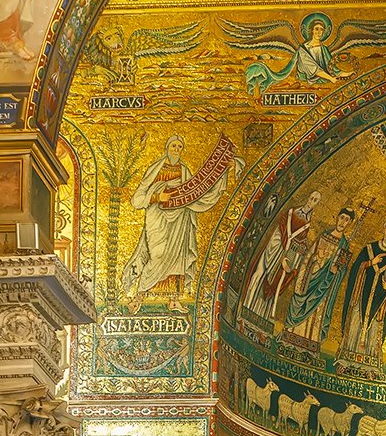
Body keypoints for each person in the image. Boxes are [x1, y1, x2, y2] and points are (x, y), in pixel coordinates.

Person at [119, 136, 242, 310]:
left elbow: (199, 193)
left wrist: (223, 170)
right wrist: (156, 196)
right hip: (158, 219)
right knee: (158, 255)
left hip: (180, 221)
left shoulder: (185, 171)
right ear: (167, 148)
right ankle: (140, 295)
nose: (176, 149)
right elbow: (136, 200)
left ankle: (174, 299)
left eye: (179, 146)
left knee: (178, 257)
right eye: (173, 146)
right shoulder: (155, 169)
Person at [243, 190, 322, 320]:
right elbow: (279, 230)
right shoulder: (291, 213)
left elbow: (300, 246)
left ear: (317, 204)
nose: (311, 201)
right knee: (260, 273)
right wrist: (279, 252)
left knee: (274, 286)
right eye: (311, 197)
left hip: (286, 257)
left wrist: (289, 263)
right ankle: (247, 307)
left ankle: (261, 317)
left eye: (315, 200)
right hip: (274, 249)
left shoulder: (308, 225)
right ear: (308, 197)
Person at [286, 207, 356, 344]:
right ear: (337, 217)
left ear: (350, 223)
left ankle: (311, 342)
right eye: (342, 217)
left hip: (325, 286)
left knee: (317, 313)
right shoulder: (323, 236)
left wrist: (336, 271)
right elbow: (308, 258)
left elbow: (342, 269)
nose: (343, 222)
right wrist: (316, 259)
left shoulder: (344, 245)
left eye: (347, 220)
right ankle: (292, 336)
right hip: (311, 279)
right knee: (302, 302)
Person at [339, 217, 386, 357]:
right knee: (355, 323)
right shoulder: (369, 249)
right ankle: (348, 354)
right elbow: (355, 269)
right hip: (361, 295)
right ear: (383, 230)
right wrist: (370, 262)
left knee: (375, 327)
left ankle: (368, 359)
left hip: (380, 301)